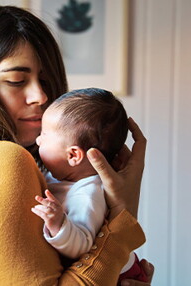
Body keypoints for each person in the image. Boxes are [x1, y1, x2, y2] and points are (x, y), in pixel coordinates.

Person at [0, 5, 154, 285]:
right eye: (17, 80)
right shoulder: (0, 161)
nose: (40, 95)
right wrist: (123, 219)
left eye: (46, 80)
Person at [31, 88, 148, 285]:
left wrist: (58, 223)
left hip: (119, 276)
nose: (38, 139)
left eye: (44, 134)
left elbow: (82, 245)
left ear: (73, 155)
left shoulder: (87, 194)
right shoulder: (62, 177)